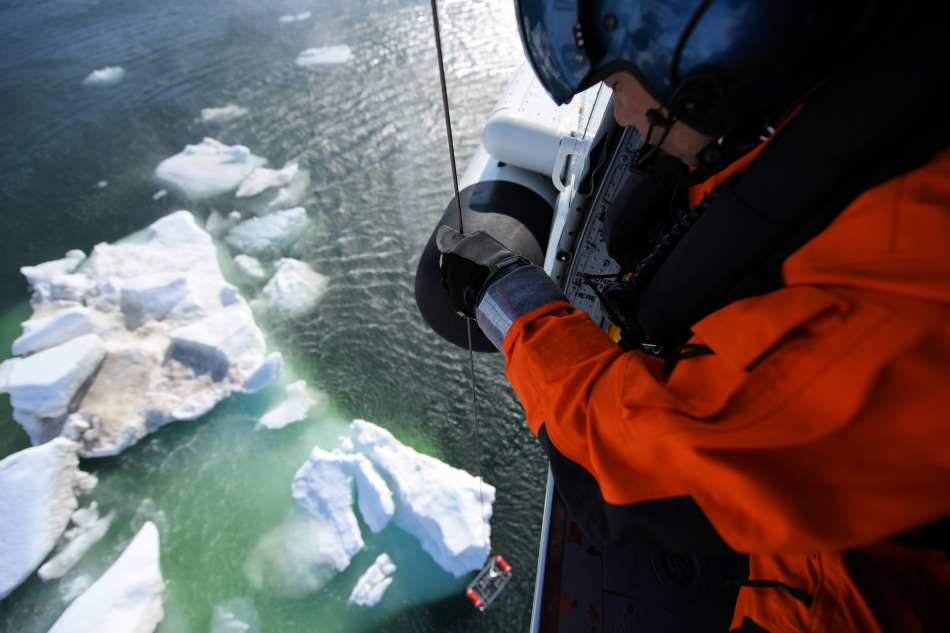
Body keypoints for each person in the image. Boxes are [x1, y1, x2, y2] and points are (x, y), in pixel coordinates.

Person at [435, 1, 950, 631]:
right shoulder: (839, 103)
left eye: (621, 85)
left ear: (715, 55)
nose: (622, 116)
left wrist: (510, 298)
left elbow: (634, 459)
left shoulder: (916, 263)